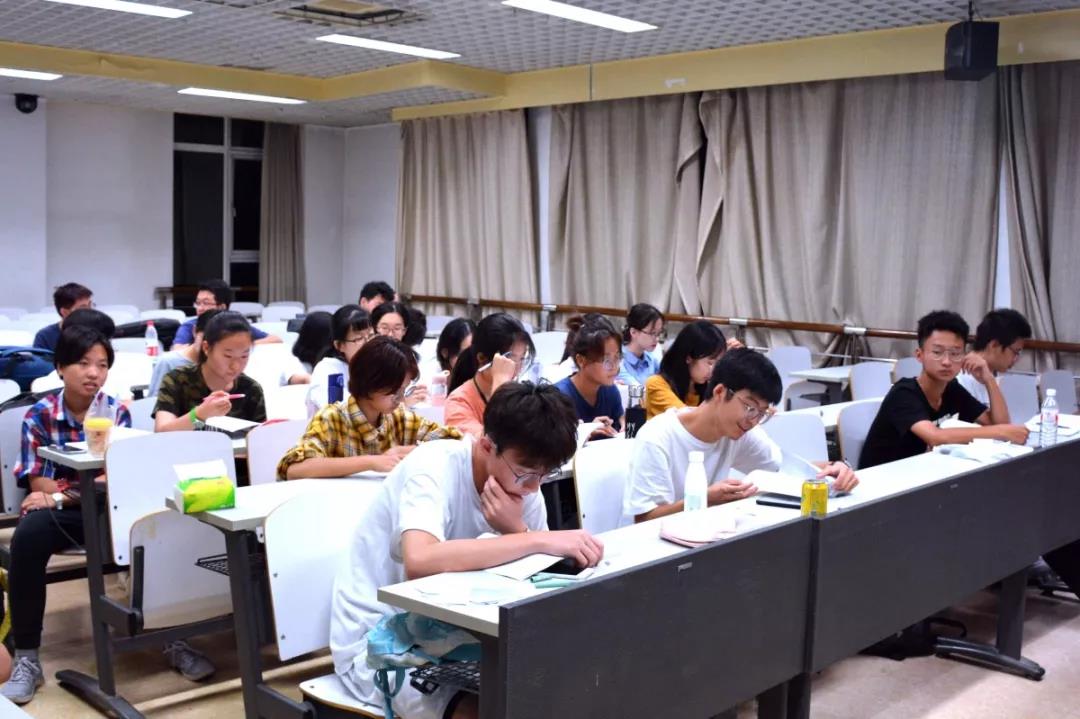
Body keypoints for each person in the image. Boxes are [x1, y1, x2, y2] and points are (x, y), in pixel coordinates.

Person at [330, 381, 603, 718]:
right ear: (487, 445)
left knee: (565, 685)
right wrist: (530, 538)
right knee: (479, 711)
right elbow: (420, 559)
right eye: (526, 473)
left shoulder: (523, 484)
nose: (534, 487)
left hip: (454, 632)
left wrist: (517, 529)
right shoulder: (433, 466)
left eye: (545, 475)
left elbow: (538, 580)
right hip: (381, 641)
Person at [0, 326, 215, 705]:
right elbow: (39, 484)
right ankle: (28, 657)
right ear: (60, 367)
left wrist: (63, 492)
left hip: (108, 506)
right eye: (83, 363)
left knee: (158, 527)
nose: (93, 373)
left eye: (101, 365)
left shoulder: (116, 411)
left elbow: (117, 477)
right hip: (69, 516)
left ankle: (171, 637)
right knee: (29, 535)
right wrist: (73, 491)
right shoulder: (39, 416)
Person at [626, 348, 858, 523]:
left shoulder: (740, 432)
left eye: (762, 413)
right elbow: (644, 520)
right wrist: (705, 499)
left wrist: (834, 469)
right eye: (750, 407)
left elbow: (784, 467)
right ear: (719, 392)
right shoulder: (657, 437)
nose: (754, 420)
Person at [859, 310, 1029, 469]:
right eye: (937, 352)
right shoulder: (903, 393)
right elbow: (935, 436)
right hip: (882, 478)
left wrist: (989, 379)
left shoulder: (951, 389)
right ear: (919, 355)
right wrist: (1001, 432)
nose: (946, 361)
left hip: (920, 472)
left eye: (955, 353)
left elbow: (998, 423)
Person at [278, 337, 462, 479]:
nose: (400, 399)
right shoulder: (332, 418)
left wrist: (408, 451)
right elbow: (293, 469)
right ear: (370, 383)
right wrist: (371, 462)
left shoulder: (398, 417)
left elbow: (453, 441)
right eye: (394, 392)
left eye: (403, 391)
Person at [153, 312, 267, 431]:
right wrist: (200, 414)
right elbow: (161, 432)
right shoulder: (177, 380)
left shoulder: (251, 389)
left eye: (244, 356)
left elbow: (260, 436)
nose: (235, 366)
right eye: (228, 356)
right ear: (206, 348)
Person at [445, 313, 535, 437]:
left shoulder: (521, 396)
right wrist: (500, 382)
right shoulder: (458, 402)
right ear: (482, 358)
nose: (517, 367)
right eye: (510, 358)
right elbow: (489, 443)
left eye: (522, 358)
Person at [555, 314, 624, 439]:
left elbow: (618, 429)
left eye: (617, 357)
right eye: (606, 360)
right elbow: (553, 445)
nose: (614, 366)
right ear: (581, 360)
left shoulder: (611, 391)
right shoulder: (559, 397)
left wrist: (625, 426)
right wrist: (585, 432)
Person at [643, 320, 727, 420]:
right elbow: (689, 421)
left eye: (718, 363)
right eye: (710, 363)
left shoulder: (703, 388)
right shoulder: (656, 384)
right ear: (688, 358)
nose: (713, 370)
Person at [957, 308, 1033, 412]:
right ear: (994, 345)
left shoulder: (994, 378)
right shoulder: (959, 379)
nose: (1016, 359)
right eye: (1015, 352)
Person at [171, 280, 280, 348]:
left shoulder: (235, 324)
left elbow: (275, 339)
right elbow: (177, 348)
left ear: (222, 307)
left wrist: (242, 345)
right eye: (198, 303)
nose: (200, 308)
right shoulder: (190, 325)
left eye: (206, 303)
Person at [308, 305, 374, 410]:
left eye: (371, 336)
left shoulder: (377, 364)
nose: (368, 343)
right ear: (339, 345)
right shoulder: (328, 370)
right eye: (359, 338)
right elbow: (337, 410)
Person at [147, 309, 221, 397]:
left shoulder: (226, 362)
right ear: (194, 331)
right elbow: (154, 401)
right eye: (205, 338)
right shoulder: (168, 362)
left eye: (217, 342)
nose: (209, 346)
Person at [372, 302, 427, 405]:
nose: (390, 334)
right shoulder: (367, 357)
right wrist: (403, 403)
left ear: (404, 331)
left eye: (397, 328)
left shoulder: (409, 358)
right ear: (375, 328)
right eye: (385, 328)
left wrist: (418, 393)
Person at [32, 283, 93, 352]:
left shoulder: (96, 332)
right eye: (83, 307)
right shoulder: (45, 336)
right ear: (65, 312)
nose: (90, 310)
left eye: (90, 305)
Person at [617, 303, 664, 386]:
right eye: (652, 333)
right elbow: (638, 390)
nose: (657, 339)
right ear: (633, 332)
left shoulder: (652, 360)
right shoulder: (618, 360)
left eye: (658, 333)